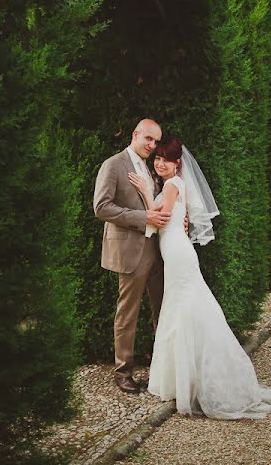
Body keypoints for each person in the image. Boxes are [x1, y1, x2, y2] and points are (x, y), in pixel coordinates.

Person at [128, 136, 271, 419]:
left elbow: (163, 217)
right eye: (157, 158)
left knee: (183, 309)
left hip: (179, 254)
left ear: (177, 163)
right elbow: (176, 217)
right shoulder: (173, 185)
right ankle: (183, 380)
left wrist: (145, 193)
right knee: (181, 309)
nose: (159, 163)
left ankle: (190, 381)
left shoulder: (171, 184)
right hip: (176, 252)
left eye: (165, 160)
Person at [93, 119, 170, 394]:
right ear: (135, 135)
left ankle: (162, 368)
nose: (152, 145)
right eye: (148, 139)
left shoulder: (150, 168)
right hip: (130, 250)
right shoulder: (113, 165)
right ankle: (123, 371)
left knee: (163, 310)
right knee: (128, 313)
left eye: (156, 141)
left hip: (158, 251)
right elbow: (101, 207)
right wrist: (143, 217)